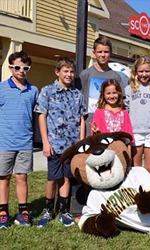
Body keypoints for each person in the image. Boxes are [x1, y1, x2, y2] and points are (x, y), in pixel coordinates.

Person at [34, 57, 87, 227]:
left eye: (71, 71)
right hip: (54, 144)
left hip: (71, 145)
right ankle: (49, 210)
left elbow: (82, 118)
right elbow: (41, 116)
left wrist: (81, 141)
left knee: (66, 177)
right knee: (52, 178)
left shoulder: (77, 94)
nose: (69, 74)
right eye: (65, 71)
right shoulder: (47, 91)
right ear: (57, 72)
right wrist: (45, 142)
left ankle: (63, 211)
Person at [0, 51, 38, 229]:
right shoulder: (1, 88)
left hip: (25, 141)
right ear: (10, 68)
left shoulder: (33, 90)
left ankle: (23, 212)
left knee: (22, 176)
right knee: (3, 177)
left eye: (25, 68)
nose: (21, 70)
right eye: (17, 67)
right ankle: (3, 212)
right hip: (4, 141)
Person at [124, 55, 150, 176]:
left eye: (147, 71)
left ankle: (149, 194)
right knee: (136, 168)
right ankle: (138, 194)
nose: (144, 74)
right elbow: (125, 110)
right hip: (135, 132)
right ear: (136, 71)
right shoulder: (129, 89)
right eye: (141, 71)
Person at [77, 35, 123, 137]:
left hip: (110, 126)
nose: (103, 55)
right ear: (94, 53)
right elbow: (78, 102)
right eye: (99, 52)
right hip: (88, 125)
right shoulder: (85, 75)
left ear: (110, 53)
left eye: (106, 52)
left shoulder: (116, 77)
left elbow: (120, 104)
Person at [91, 79, 134, 154]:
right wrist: (96, 132)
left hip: (120, 152)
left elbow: (129, 137)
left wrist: (129, 156)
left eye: (114, 93)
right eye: (108, 93)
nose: (111, 96)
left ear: (119, 93)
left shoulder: (124, 113)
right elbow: (95, 138)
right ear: (103, 95)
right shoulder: (99, 112)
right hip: (104, 151)